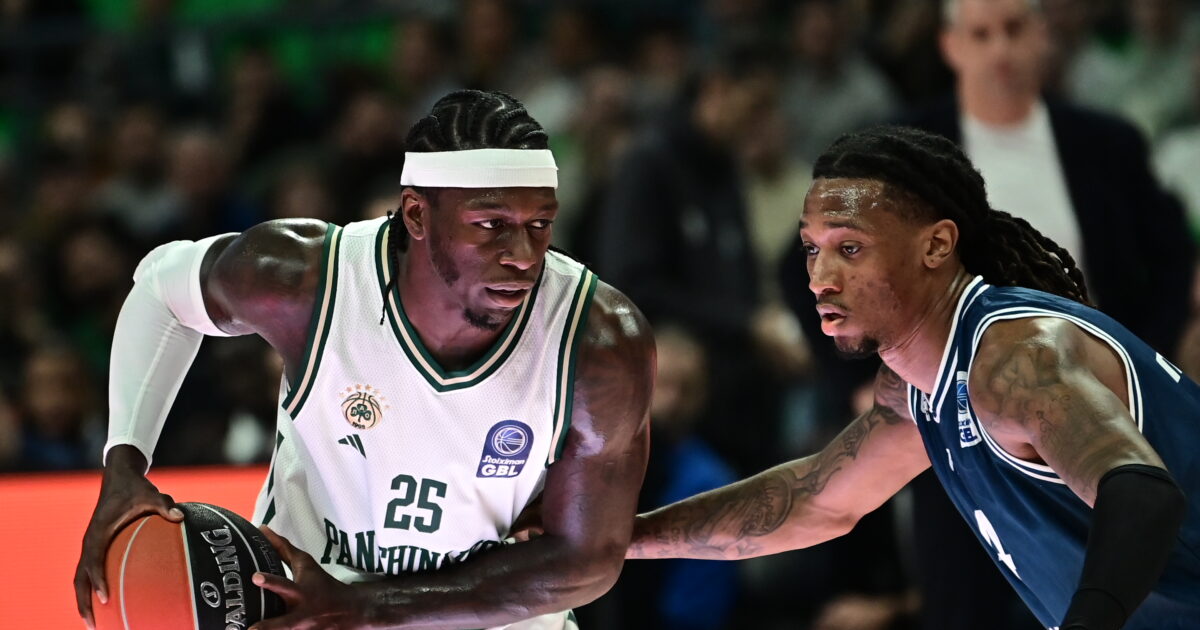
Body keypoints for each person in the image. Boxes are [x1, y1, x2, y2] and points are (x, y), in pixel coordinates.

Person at [74, 89, 654, 630]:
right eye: (491, 225)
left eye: (539, 224)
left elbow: (587, 560)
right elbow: (161, 291)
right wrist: (124, 463)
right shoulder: (307, 281)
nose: (524, 255)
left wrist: (369, 608)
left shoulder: (598, 342)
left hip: (491, 616)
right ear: (417, 215)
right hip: (310, 604)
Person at [627, 126, 1200, 630]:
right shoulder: (916, 386)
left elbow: (1142, 495)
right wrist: (628, 539)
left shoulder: (1013, 357)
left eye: (850, 248)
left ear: (937, 245)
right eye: (811, 249)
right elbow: (815, 501)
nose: (820, 278)